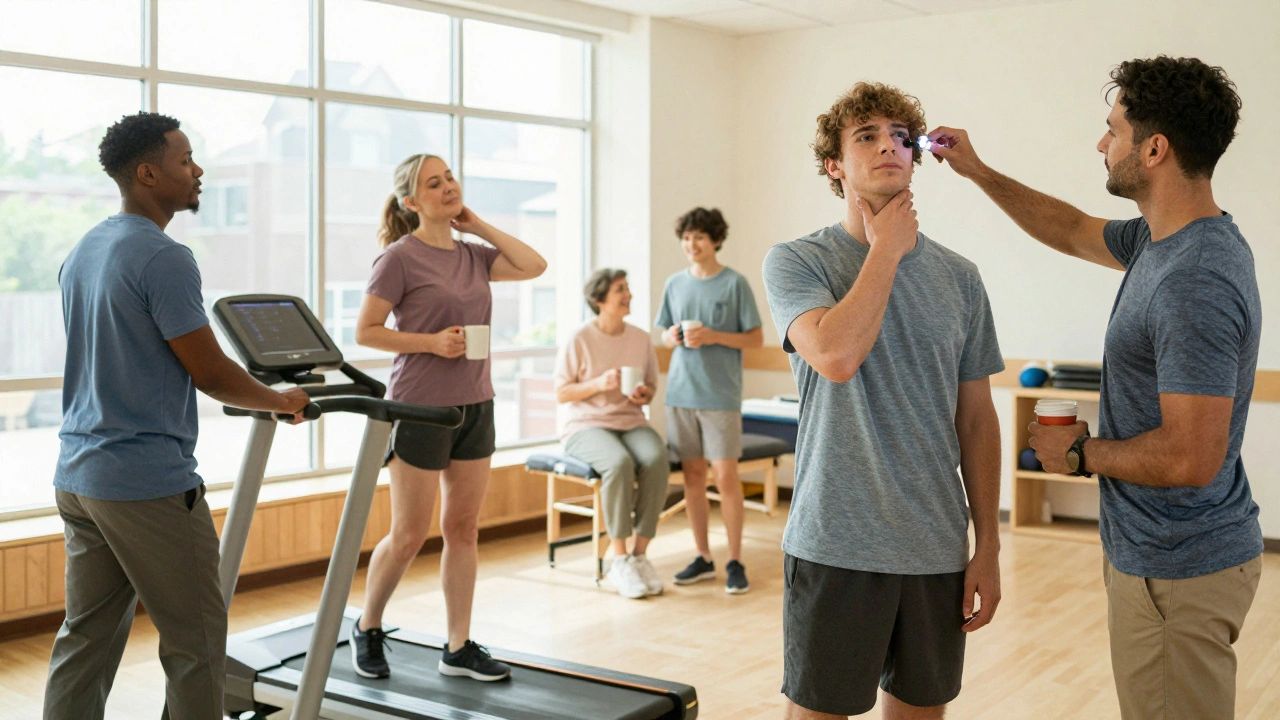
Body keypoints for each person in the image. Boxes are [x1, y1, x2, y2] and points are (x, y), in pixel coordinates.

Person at [931, 56, 1263, 719]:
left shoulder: (1192, 276)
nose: (1101, 144)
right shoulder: (1160, 242)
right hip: (1163, 561)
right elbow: (1073, 229)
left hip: (1179, 571)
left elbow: (1191, 457)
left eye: (1112, 130)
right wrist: (980, 173)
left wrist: (1079, 455)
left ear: (1155, 148)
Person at [44, 112, 312, 720]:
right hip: (147, 483)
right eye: (184, 159)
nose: (197, 171)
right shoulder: (164, 257)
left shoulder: (85, 249)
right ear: (147, 173)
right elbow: (212, 373)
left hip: (81, 476)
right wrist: (282, 401)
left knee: (84, 637)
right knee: (195, 643)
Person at [761, 82, 1004, 720]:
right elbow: (836, 357)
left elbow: (976, 420)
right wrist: (887, 252)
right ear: (834, 166)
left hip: (935, 548)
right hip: (835, 543)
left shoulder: (960, 277)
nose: (887, 146)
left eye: (899, 135)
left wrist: (990, 547)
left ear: (916, 157)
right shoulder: (796, 262)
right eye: (864, 136)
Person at [349, 153, 546, 683]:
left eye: (450, 177)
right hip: (419, 406)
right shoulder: (399, 258)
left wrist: (477, 223)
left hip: (476, 403)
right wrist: (431, 343)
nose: (447, 187)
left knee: (463, 528)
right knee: (410, 533)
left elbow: (534, 266)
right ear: (411, 202)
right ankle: (367, 625)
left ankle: (457, 646)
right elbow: (366, 330)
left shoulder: (474, 256)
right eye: (433, 183)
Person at [654, 207, 763, 594]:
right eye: (686, 238)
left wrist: (715, 336)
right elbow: (664, 332)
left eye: (699, 237)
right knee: (693, 478)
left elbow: (754, 338)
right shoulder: (674, 283)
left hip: (720, 396)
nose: (691, 244)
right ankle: (702, 556)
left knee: (726, 477)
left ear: (715, 240)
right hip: (680, 395)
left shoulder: (735, 284)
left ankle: (735, 560)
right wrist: (672, 337)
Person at [554, 269, 668, 599]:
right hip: (585, 425)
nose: (628, 294)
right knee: (618, 464)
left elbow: (650, 387)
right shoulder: (580, 339)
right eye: (620, 290)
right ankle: (618, 557)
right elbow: (562, 393)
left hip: (629, 419)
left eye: (628, 288)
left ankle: (639, 553)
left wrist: (643, 394)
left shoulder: (639, 337)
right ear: (599, 300)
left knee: (657, 457)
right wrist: (597, 384)